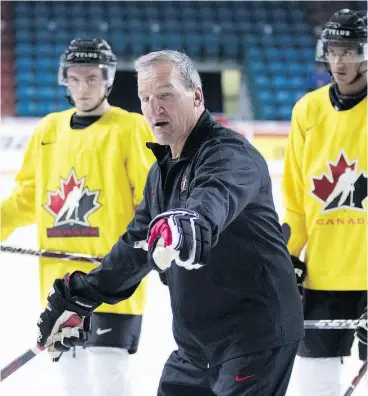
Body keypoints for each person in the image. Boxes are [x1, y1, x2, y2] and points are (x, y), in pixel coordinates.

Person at [35, 50, 304, 396]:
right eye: (145, 98)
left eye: (165, 95)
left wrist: (184, 226)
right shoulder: (161, 172)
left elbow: (211, 201)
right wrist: (81, 296)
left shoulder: (229, 155)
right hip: (197, 347)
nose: (153, 107)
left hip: (254, 340)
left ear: (196, 96)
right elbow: (135, 247)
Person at [0, 39, 155, 395]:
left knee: (108, 374)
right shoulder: (48, 130)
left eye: (92, 78)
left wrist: (147, 250)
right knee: (72, 381)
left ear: (107, 80)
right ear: (64, 81)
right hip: (60, 283)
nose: (83, 87)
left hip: (112, 278)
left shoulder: (129, 127)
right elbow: (26, 199)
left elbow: (149, 201)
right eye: (75, 78)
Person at [281, 9, 367, 396]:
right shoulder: (308, 110)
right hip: (323, 276)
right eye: (333, 51)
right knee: (315, 382)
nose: (339, 61)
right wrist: (287, 258)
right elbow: (296, 199)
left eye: (349, 51)